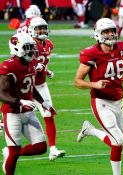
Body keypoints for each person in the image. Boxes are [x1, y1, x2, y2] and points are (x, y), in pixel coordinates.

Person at [74, 17, 123, 175]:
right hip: (101, 102)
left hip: (119, 101)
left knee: (121, 145)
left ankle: (90, 130)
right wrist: (94, 84)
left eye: (112, 31)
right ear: (98, 34)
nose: (110, 34)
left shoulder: (120, 48)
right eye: (106, 31)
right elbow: (77, 81)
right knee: (117, 141)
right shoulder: (91, 53)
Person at [1, 33, 56, 175]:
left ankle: (8, 152)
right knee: (14, 150)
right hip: (12, 113)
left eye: (32, 48)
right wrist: (18, 101)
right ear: (16, 48)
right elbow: (0, 92)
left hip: (28, 112)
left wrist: (43, 103)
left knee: (41, 147)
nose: (32, 51)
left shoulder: (30, 63)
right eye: (27, 48)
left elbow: (31, 87)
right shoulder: (9, 66)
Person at [28, 16, 65, 161]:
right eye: (39, 28)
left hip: (41, 85)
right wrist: (33, 66)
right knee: (18, 115)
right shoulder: (29, 44)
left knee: (49, 114)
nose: (42, 30)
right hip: (27, 86)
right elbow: (20, 63)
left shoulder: (49, 44)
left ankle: (53, 149)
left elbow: (43, 63)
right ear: (32, 30)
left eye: (43, 27)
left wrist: (46, 71)